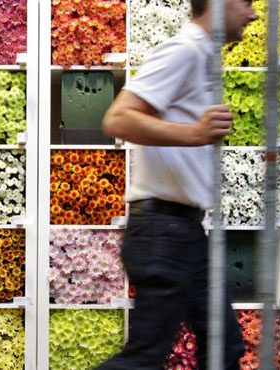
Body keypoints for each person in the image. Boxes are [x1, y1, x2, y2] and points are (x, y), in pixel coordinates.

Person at [95, 0, 258, 368]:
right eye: (246, 3)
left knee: (224, 349)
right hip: (163, 232)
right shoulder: (183, 51)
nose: (252, 14)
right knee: (145, 358)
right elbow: (118, 119)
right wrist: (195, 133)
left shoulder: (202, 58)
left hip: (183, 231)